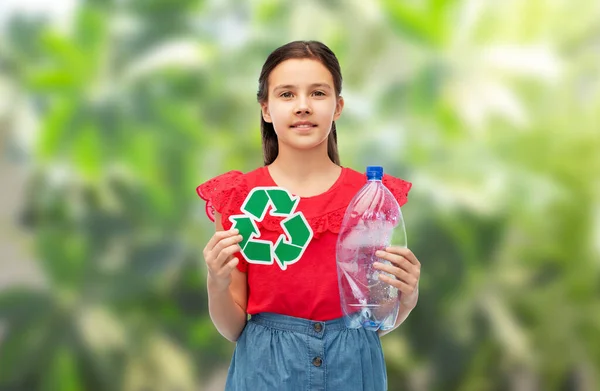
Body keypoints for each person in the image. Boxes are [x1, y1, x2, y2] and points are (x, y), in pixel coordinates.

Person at [197, 40, 421, 391]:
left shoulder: (372, 198)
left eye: (318, 93)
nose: (303, 107)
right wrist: (216, 282)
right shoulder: (237, 199)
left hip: (353, 367)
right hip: (265, 371)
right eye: (287, 95)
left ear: (338, 107)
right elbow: (233, 328)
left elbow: (374, 318)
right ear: (266, 109)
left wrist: (405, 300)